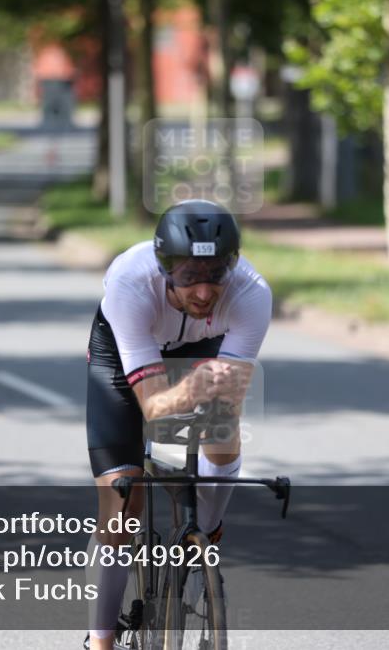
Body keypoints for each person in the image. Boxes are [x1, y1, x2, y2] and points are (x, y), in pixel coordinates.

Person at [84, 199, 272, 649]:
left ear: (233, 265)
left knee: (224, 427)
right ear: (165, 267)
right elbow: (153, 408)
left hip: (203, 344)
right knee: (121, 498)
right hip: (127, 350)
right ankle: (100, 639)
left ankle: (203, 531)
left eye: (216, 275)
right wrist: (191, 391)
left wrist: (215, 399)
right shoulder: (131, 283)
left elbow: (228, 400)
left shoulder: (252, 294)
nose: (204, 292)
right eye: (189, 276)